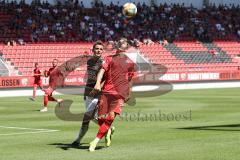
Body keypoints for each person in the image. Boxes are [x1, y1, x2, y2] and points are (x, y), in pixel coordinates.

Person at [89, 38, 136, 151]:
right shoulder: (109, 59)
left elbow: (130, 79)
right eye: (119, 42)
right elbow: (102, 71)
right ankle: (108, 130)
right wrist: (98, 84)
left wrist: (129, 93)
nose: (121, 44)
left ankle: (95, 141)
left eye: (124, 43)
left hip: (119, 94)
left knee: (110, 118)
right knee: (98, 117)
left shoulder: (130, 62)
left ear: (127, 46)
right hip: (107, 91)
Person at [72, 41, 114, 146]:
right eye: (97, 48)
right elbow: (89, 78)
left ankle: (77, 141)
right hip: (88, 92)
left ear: (102, 51)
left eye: (100, 49)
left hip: (98, 92)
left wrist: (99, 86)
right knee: (92, 116)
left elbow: (108, 78)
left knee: (87, 116)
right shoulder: (89, 61)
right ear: (93, 50)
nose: (99, 50)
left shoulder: (104, 63)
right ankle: (108, 127)